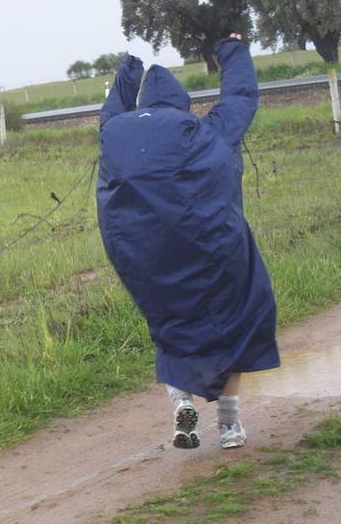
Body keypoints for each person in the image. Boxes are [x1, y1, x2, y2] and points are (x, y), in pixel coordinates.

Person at [97, 34, 279, 451]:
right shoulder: (207, 130)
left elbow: (111, 107)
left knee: (170, 327)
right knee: (235, 322)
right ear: (181, 102)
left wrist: (131, 65)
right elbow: (241, 96)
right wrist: (231, 48)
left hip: (144, 256)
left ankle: (181, 400)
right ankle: (230, 426)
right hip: (216, 251)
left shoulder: (113, 131)